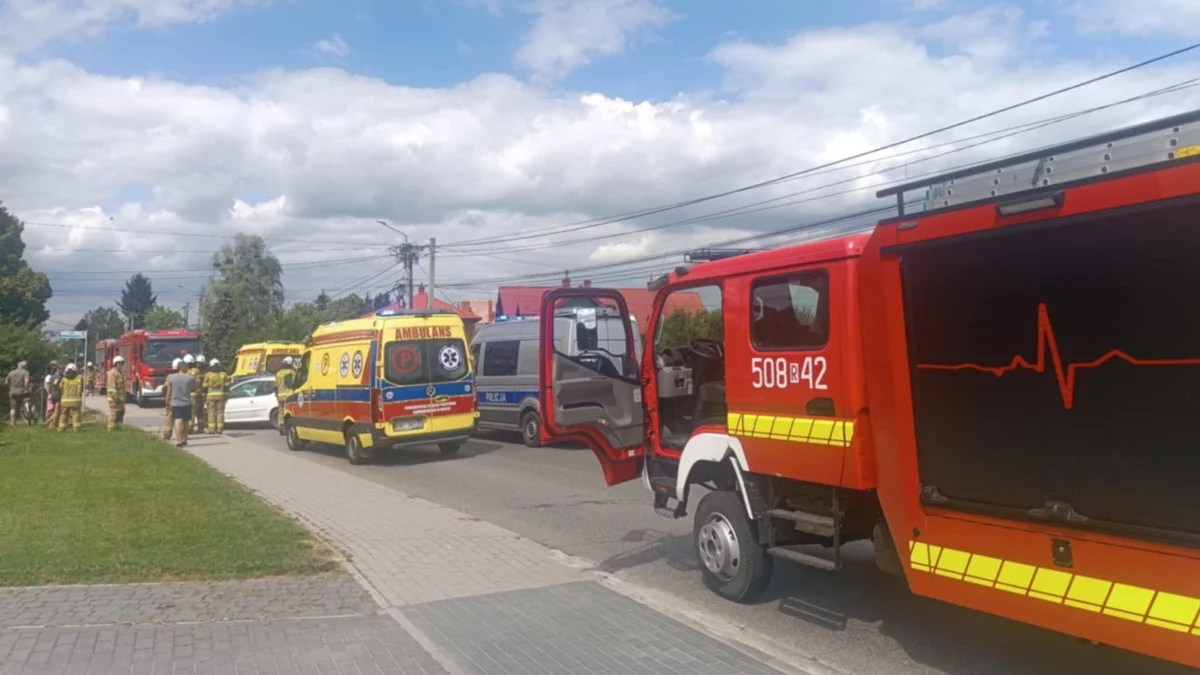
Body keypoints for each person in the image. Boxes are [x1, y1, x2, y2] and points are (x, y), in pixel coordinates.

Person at [165, 358, 197, 447]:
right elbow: (194, 388)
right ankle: (185, 439)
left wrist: (167, 402)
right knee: (186, 421)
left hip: (175, 403)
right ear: (185, 368)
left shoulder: (171, 378)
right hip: (186, 403)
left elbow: (168, 392)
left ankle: (179, 440)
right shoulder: (190, 378)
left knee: (177, 420)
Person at [204, 358, 230, 435]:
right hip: (221, 396)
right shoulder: (223, 374)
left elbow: (204, 386)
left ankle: (211, 429)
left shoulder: (208, 374)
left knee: (211, 412)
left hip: (210, 397)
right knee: (220, 412)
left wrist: (211, 386)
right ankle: (219, 429)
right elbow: (227, 385)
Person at [57, 363, 84, 432]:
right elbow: (82, 388)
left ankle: (61, 428)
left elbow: (59, 387)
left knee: (64, 414)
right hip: (76, 401)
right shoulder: (80, 378)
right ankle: (76, 428)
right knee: (76, 414)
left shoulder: (64, 379)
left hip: (65, 401)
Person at [274, 356, 297, 434]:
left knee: (281, 411)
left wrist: (277, 394)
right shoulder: (292, 372)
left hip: (280, 396)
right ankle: (288, 426)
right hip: (289, 396)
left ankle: (281, 425)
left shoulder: (278, 373)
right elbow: (294, 384)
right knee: (289, 411)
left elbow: (275, 386)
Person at [6, 360, 31, 426]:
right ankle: (27, 413)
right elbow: (26, 381)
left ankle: (12, 423)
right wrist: (26, 389)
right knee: (27, 402)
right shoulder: (25, 372)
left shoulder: (11, 372)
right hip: (22, 391)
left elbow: (6, 382)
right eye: (26, 366)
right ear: (24, 366)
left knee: (13, 408)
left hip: (12, 392)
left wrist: (10, 387)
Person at [162, 358, 181, 440]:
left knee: (169, 418)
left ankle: (167, 434)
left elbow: (166, 389)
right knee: (181, 419)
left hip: (172, 401)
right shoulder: (185, 376)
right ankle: (181, 435)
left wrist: (167, 401)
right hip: (182, 401)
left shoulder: (170, 377)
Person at [106, 356, 126, 431]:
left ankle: (119, 427)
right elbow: (111, 387)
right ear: (115, 363)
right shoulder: (112, 373)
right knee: (114, 414)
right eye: (119, 363)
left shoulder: (120, 373)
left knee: (121, 412)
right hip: (114, 398)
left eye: (121, 363)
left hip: (120, 398)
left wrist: (123, 397)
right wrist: (115, 397)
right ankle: (111, 428)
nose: (120, 364)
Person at [192, 354, 208, 433]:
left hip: (200, 395)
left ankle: (200, 428)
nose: (199, 364)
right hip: (197, 394)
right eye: (198, 363)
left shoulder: (203, 372)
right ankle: (193, 428)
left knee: (199, 412)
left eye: (200, 363)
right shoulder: (203, 372)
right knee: (196, 411)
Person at [43, 361, 62, 429]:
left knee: (51, 410)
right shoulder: (56, 376)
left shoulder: (51, 376)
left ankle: (50, 424)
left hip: (51, 394)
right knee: (56, 411)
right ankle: (49, 423)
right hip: (55, 394)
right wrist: (59, 388)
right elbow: (54, 384)